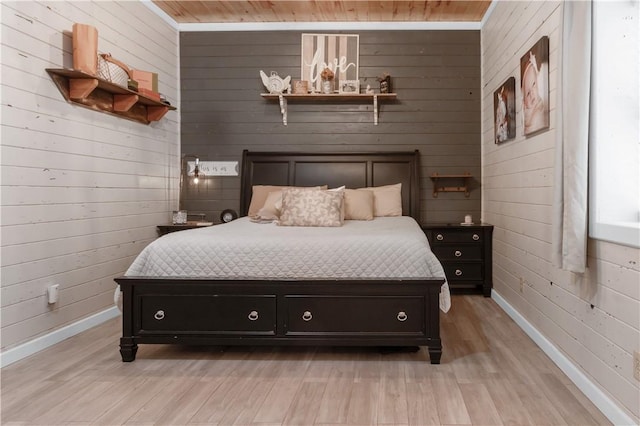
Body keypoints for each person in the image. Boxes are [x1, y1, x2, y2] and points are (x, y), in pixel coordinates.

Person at [522, 51, 548, 134]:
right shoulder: (526, 115)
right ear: (524, 103)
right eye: (528, 93)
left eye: (534, 84)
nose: (532, 94)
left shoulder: (541, 105)